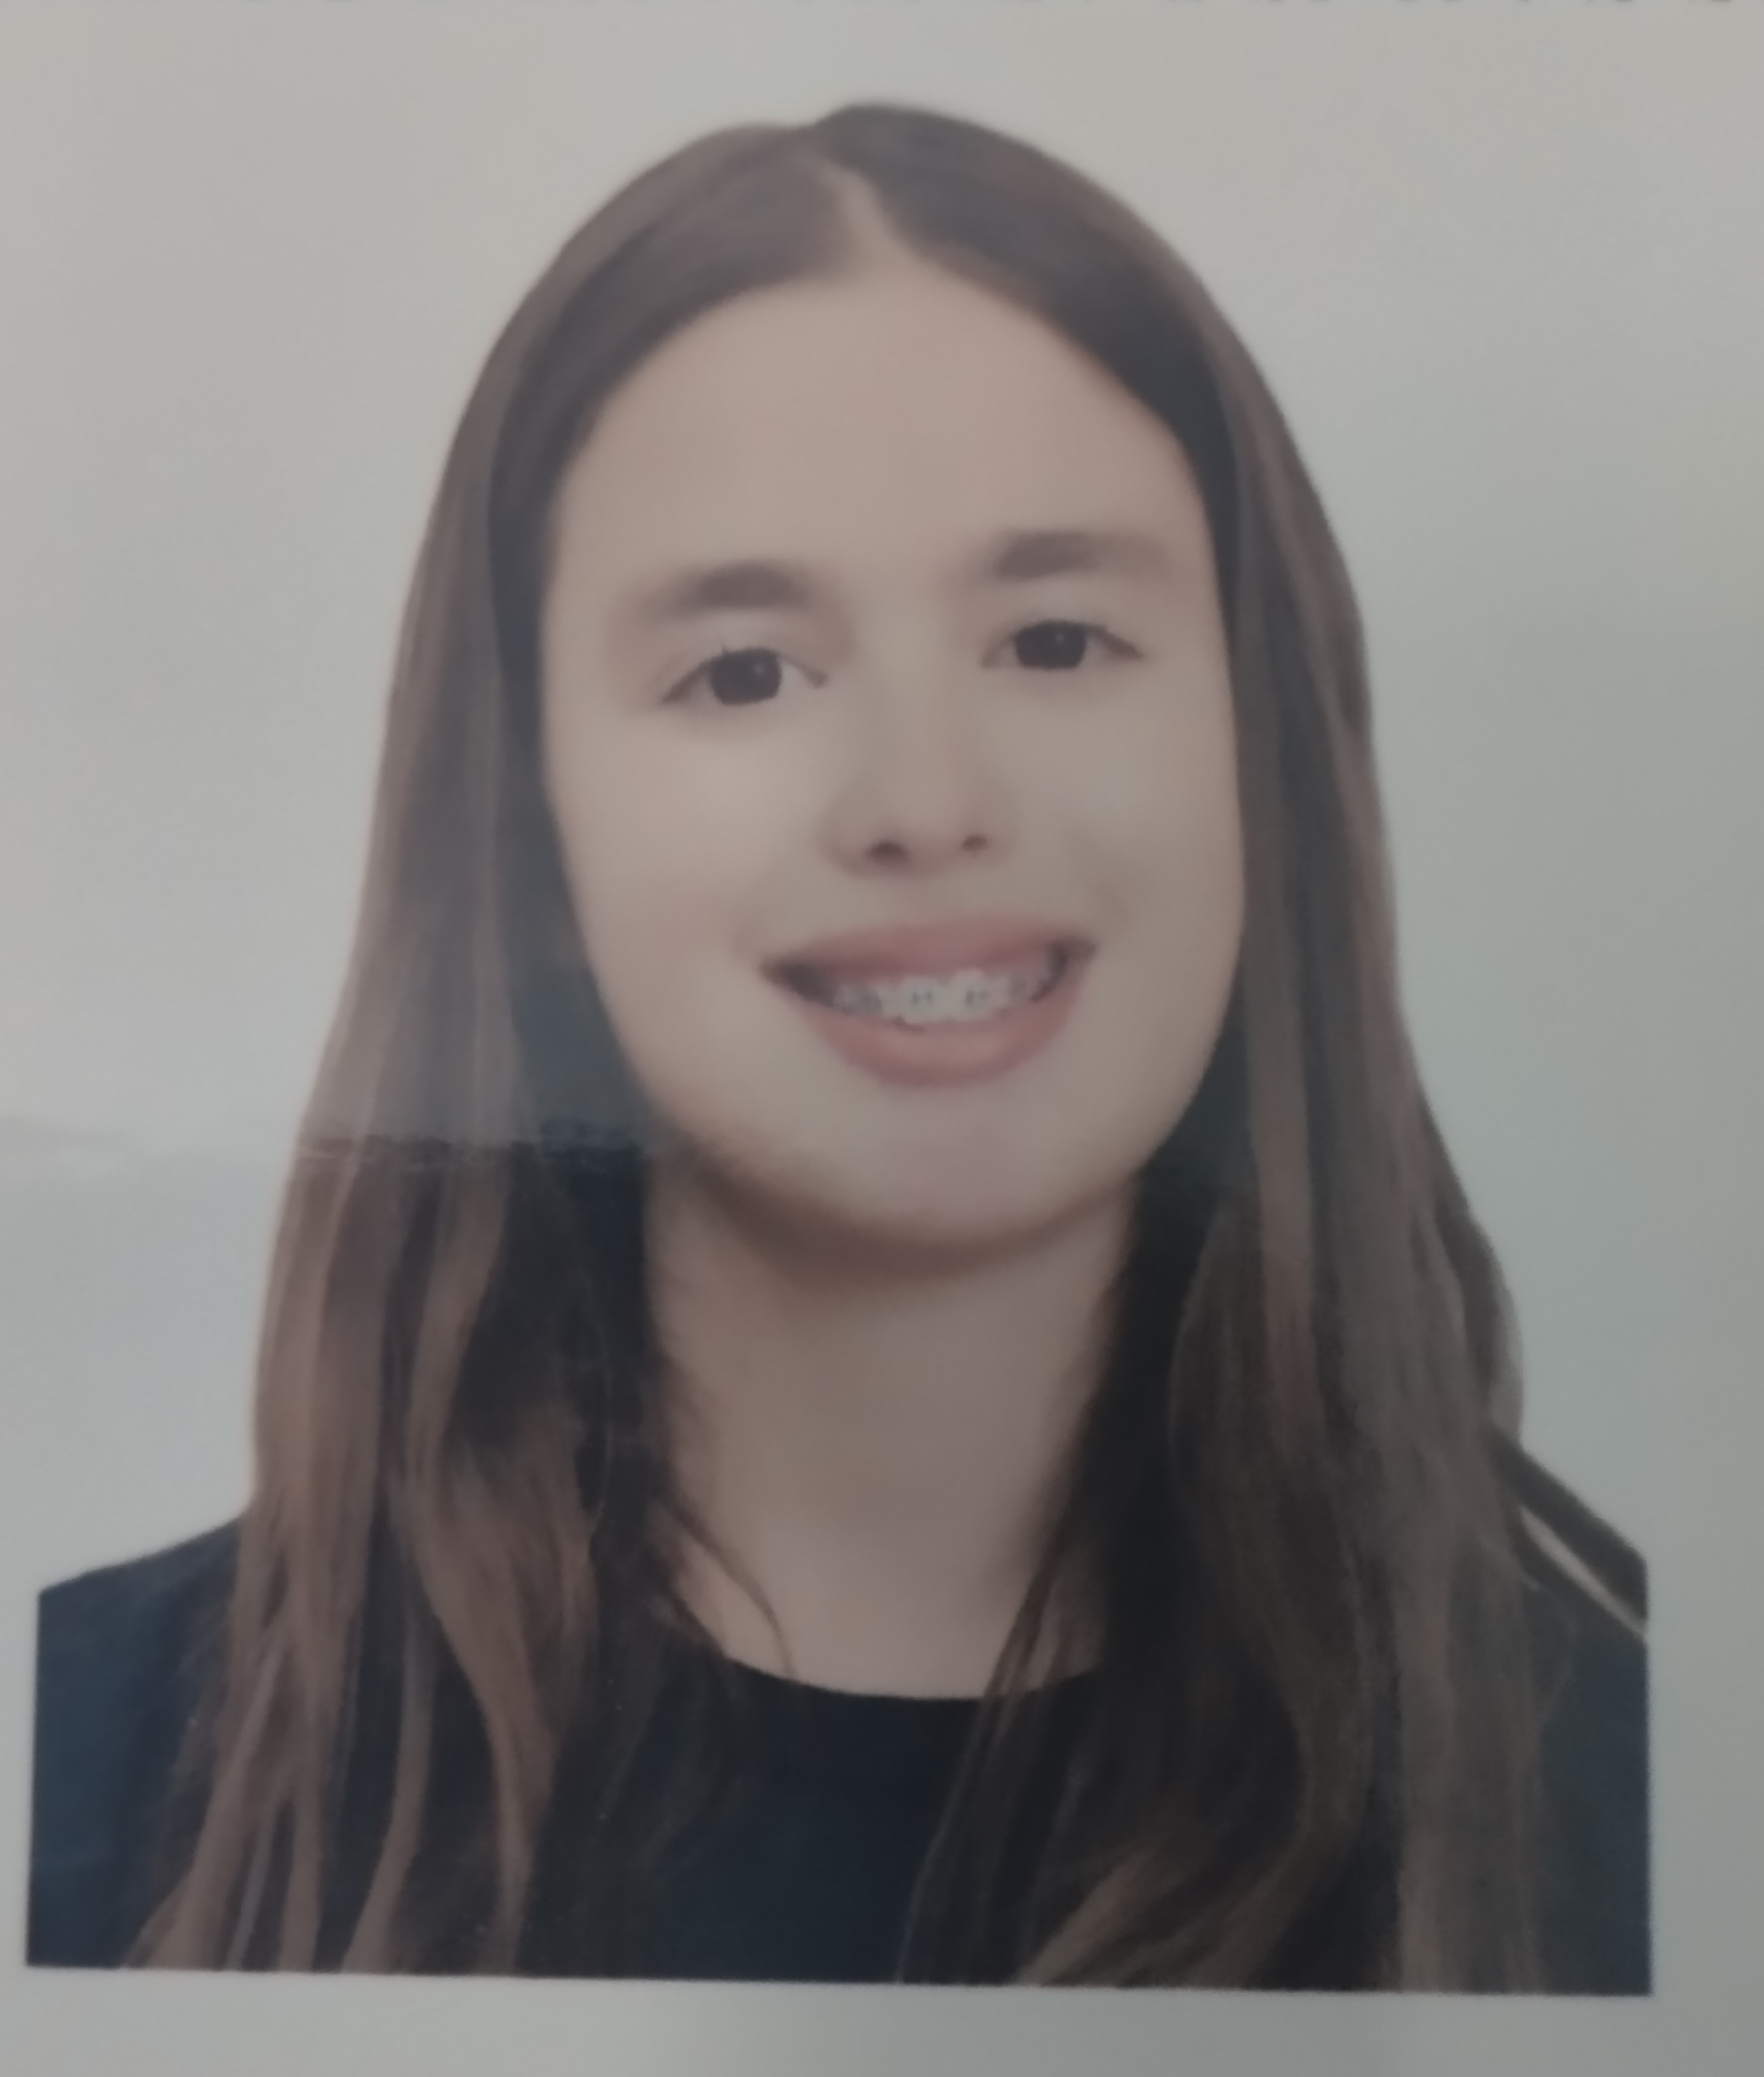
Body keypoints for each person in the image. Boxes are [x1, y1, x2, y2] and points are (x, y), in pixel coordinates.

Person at [27, 104, 1648, 1991]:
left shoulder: (1653, 1808)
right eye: (745, 671)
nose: (926, 800)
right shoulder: (70, 1770)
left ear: (1260, 756)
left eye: (1055, 640)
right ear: (528, 836)